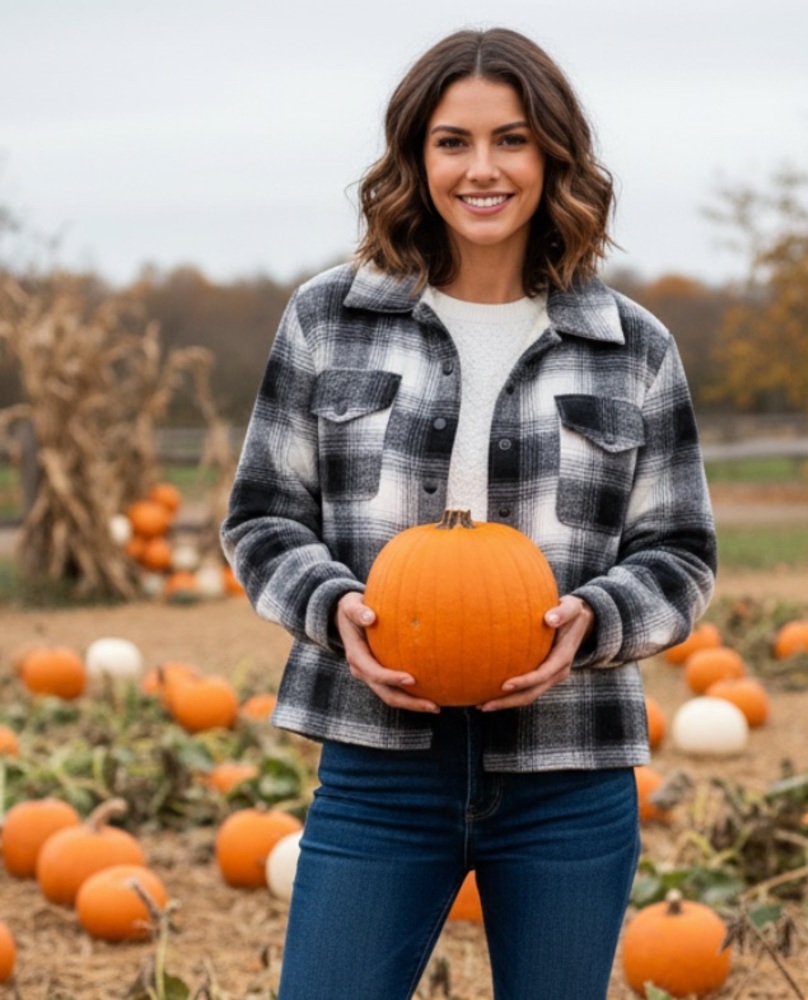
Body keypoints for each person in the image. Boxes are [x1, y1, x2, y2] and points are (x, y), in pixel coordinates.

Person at [221, 26, 716, 1000]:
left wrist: (593, 623)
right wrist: (335, 612)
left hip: (569, 771)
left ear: (554, 158)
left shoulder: (632, 347)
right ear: (414, 157)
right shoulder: (328, 318)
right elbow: (263, 518)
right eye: (452, 141)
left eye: (512, 140)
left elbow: (680, 553)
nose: (481, 168)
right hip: (377, 767)